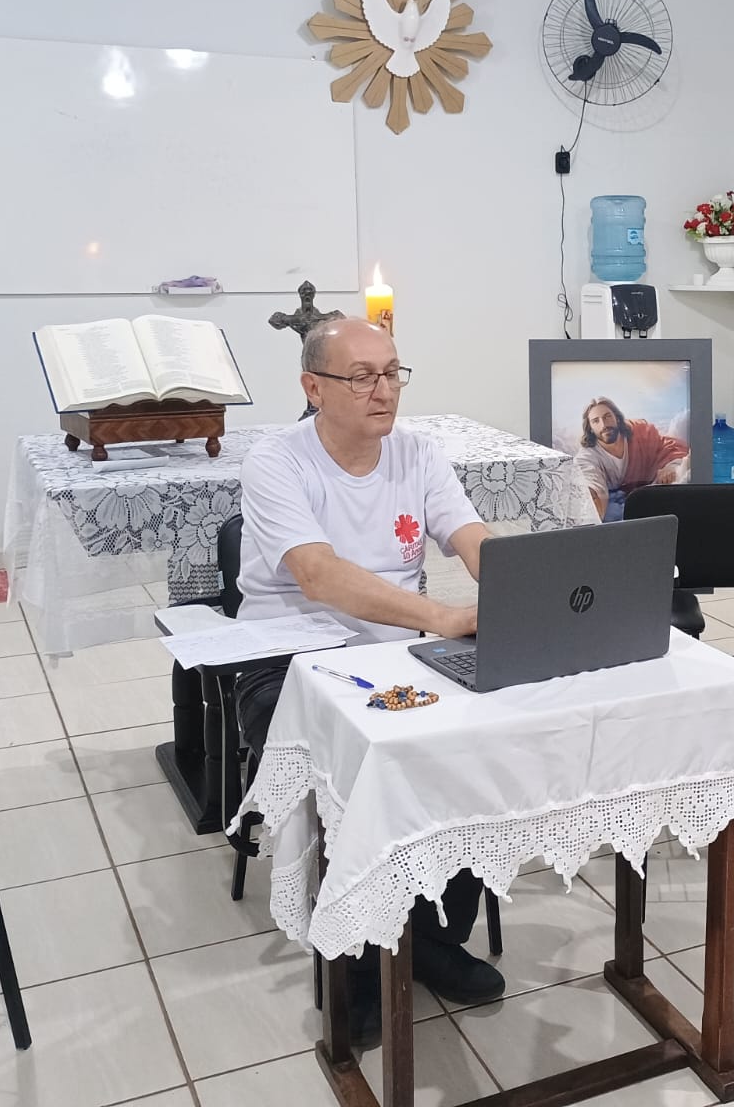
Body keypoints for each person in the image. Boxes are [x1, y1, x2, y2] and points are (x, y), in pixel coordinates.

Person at [233, 317, 504, 1038]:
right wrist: (442, 617)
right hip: (289, 661)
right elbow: (318, 576)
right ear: (313, 387)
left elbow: (469, 535)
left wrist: (513, 582)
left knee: (472, 748)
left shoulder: (417, 453)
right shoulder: (277, 461)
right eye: (361, 377)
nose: (383, 391)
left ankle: (433, 940)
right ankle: (352, 963)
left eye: (391, 373)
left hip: (394, 655)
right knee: (358, 776)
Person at [573, 396, 690, 521]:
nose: (604, 424)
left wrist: (669, 466)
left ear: (617, 418)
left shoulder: (639, 432)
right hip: (617, 511)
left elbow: (668, 446)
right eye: (596, 421)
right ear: (590, 428)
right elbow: (591, 482)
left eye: (607, 416)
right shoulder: (587, 456)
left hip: (650, 499)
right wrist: (592, 500)